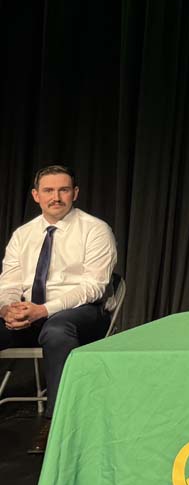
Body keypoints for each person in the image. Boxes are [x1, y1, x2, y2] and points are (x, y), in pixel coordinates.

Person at [0, 165, 117, 453]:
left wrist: (44, 309)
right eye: (49, 190)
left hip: (82, 313)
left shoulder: (95, 230)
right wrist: (7, 309)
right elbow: (10, 282)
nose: (56, 197)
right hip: (30, 313)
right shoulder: (23, 234)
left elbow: (94, 287)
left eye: (63, 190)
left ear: (74, 193)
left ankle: (56, 423)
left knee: (56, 330)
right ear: (36, 195)